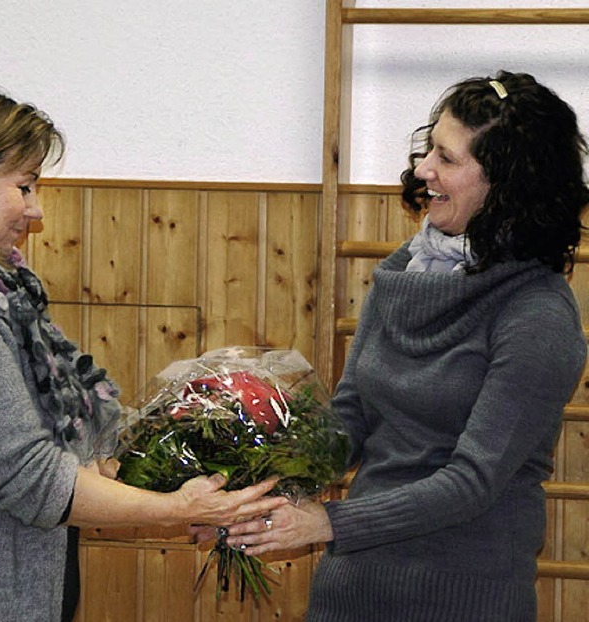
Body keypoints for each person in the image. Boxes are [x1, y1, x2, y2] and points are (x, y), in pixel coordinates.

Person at [222, 71, 589, 621]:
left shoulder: (539, 316)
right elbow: (349, 418)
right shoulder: (404, 270)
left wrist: (327, 523)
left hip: (463, 602)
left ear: (506, 185)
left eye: (447, 157)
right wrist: (250, 485)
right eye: (428, 148)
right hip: (349, 593)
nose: (423, 169)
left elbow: (472, 483)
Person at [0, 81, 287, 622]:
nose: (36, 211)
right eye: (25, 186)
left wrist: (208, 423)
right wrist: (179, 509)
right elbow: (29, 476)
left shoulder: (4, 292)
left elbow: (82, 434)